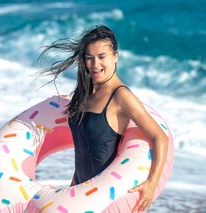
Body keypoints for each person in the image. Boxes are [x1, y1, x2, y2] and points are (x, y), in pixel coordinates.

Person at [37, 25, 169, 212]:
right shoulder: (84, 92)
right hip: (80, 192)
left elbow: (159, 137)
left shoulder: (121, 96)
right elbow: (84, 148)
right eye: (89, 58)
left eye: (102, 57)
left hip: (105, 201)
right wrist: (73, 187)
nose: (95, 64)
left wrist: (151, 183)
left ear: (115, 56)